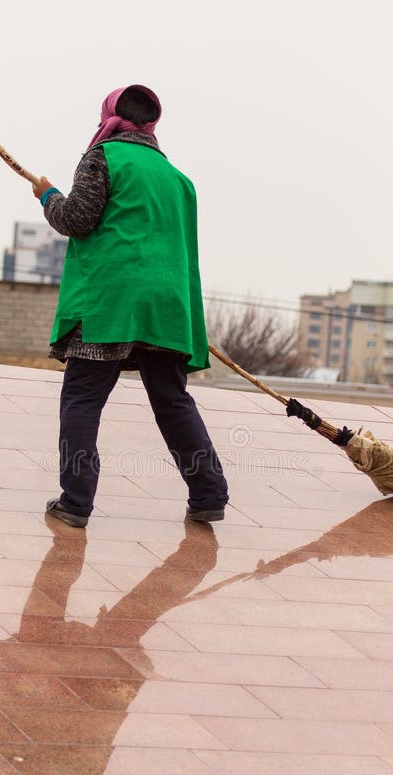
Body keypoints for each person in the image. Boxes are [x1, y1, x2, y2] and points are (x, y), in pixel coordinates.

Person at [32, 84, 229, 528]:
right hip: (167, 307)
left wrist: (48, 195)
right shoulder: (179, 179)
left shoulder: (102, 157)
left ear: (109, 118)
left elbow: (76, 219)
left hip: (111, 302)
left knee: (82, 398)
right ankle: (209, 495)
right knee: (172, 400)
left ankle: (75, 502)